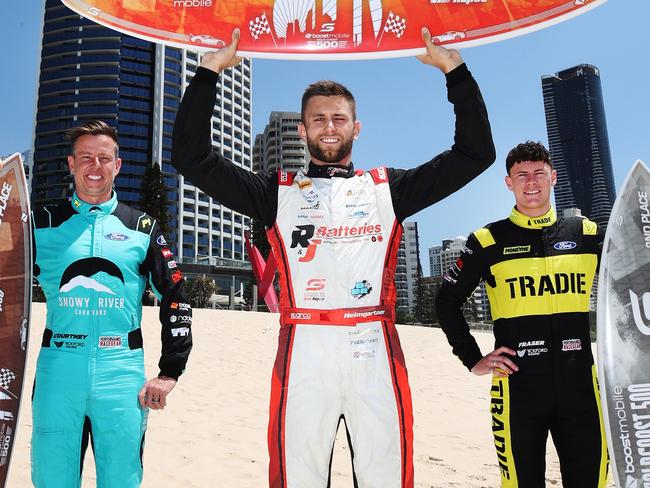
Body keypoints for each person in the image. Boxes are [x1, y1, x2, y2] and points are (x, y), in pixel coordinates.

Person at [172, 27, 495, 488]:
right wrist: (207, 74)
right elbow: (192, 158)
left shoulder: (389, 189)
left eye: (339, 119)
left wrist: (455, 71)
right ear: (302, 130)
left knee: (386, 476)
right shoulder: (275, 192)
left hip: (375, 348)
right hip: (304, 348)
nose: (329, 127)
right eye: (318, 119)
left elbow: (475, 153)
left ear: (356, 128)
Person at [436, 141, 608, 487]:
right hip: (517, 388)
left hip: (581, 387)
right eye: (522, 175)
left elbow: (631, 281)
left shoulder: (586, 234)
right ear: (508, 183)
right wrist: (472, 358)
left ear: (553, 177)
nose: (531, 182)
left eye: (539, 173)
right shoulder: (487, 241)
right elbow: (446, 301)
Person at [31, 120, 193, 488]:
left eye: (104, 158)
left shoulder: (142, 226)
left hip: (121, 372)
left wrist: (170, 371)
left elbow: (175, 296)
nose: (95, 166)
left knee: (121, 480)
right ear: (71, 164)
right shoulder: (40, 223)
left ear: (117, 166)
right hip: (59, 371)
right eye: (85, 157)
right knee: (51, 479)